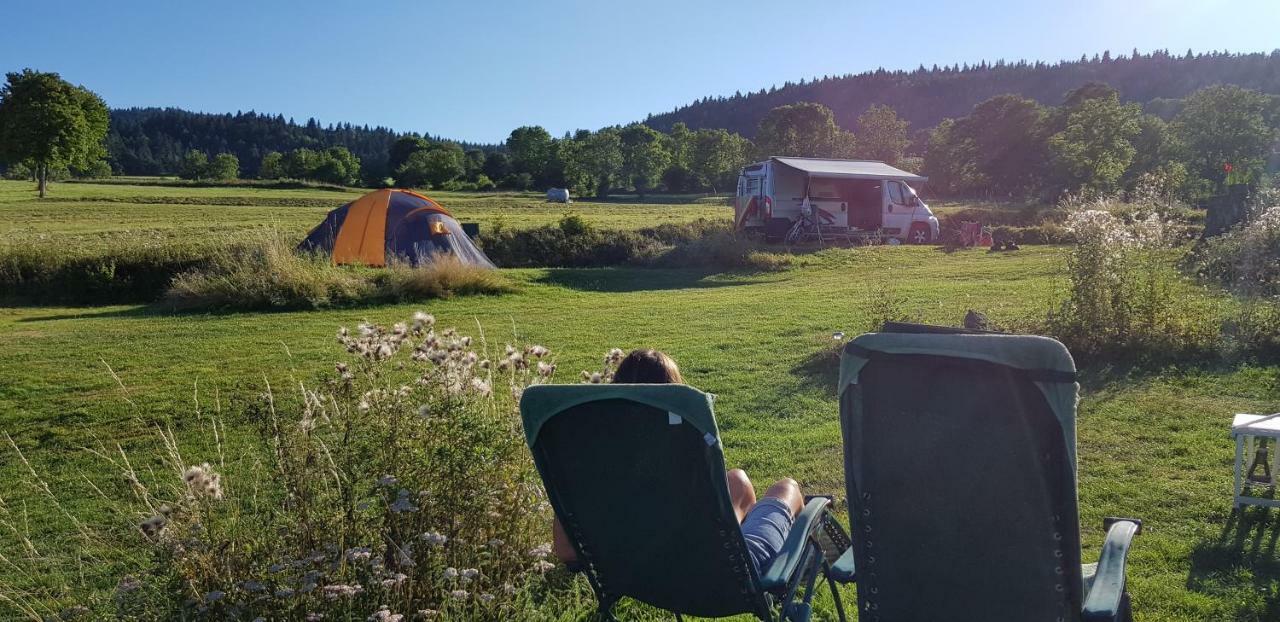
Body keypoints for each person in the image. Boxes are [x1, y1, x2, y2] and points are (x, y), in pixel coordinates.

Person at [551, 348, 805, 576]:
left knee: (737, 479)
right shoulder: (682, 446)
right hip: (727, 576)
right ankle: (792, 564)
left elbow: (565, 550)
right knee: (787, 489)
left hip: (641, 576)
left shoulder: (596, 464)